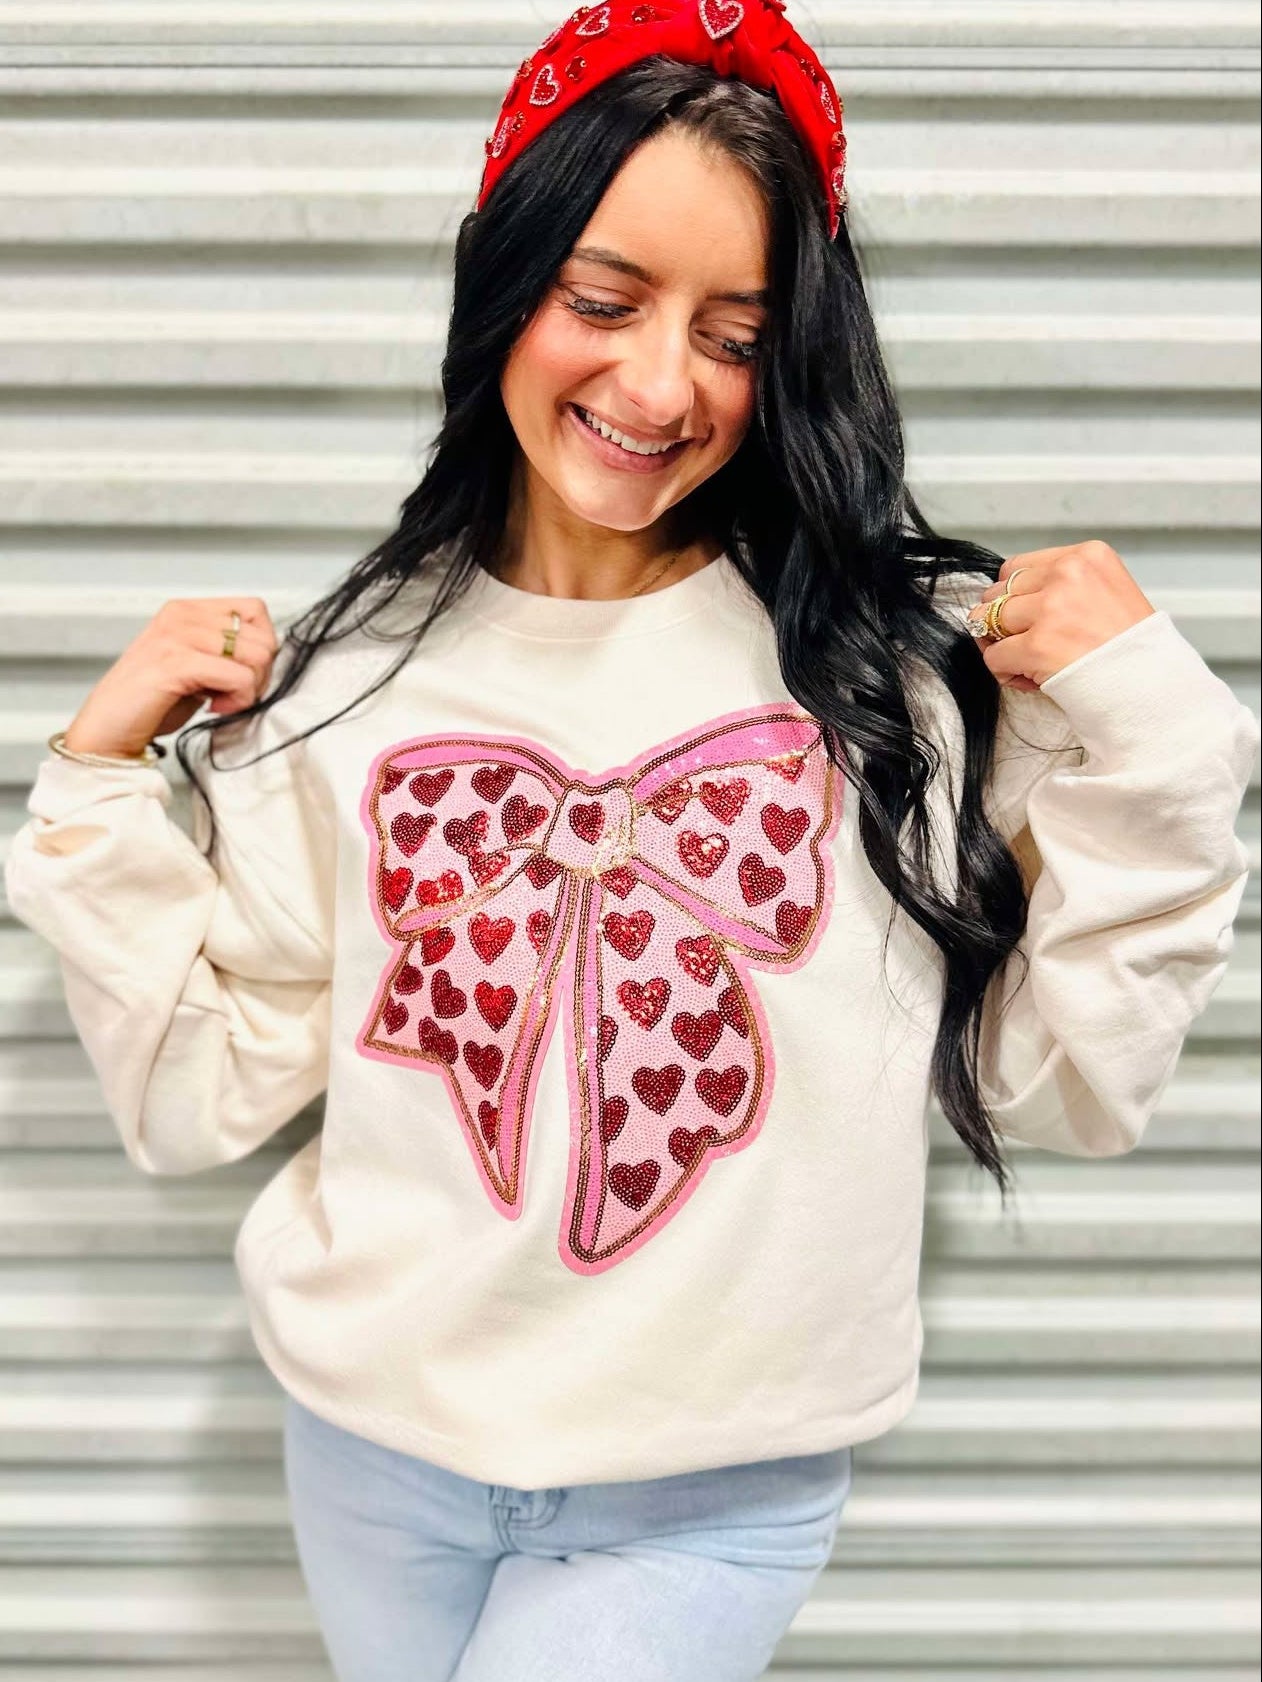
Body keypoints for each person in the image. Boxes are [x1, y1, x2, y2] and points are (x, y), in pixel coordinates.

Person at [5, 2, 1258, 1679]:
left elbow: (1069, 1087)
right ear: (501, 278)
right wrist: (98, 782)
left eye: (735, 334)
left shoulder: (892, 681)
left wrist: (1161, 736)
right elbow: (192, 1095)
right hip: (372, 1448)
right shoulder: (344, 676)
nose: (660, 384)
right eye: (601, 302)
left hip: (705, 1494)